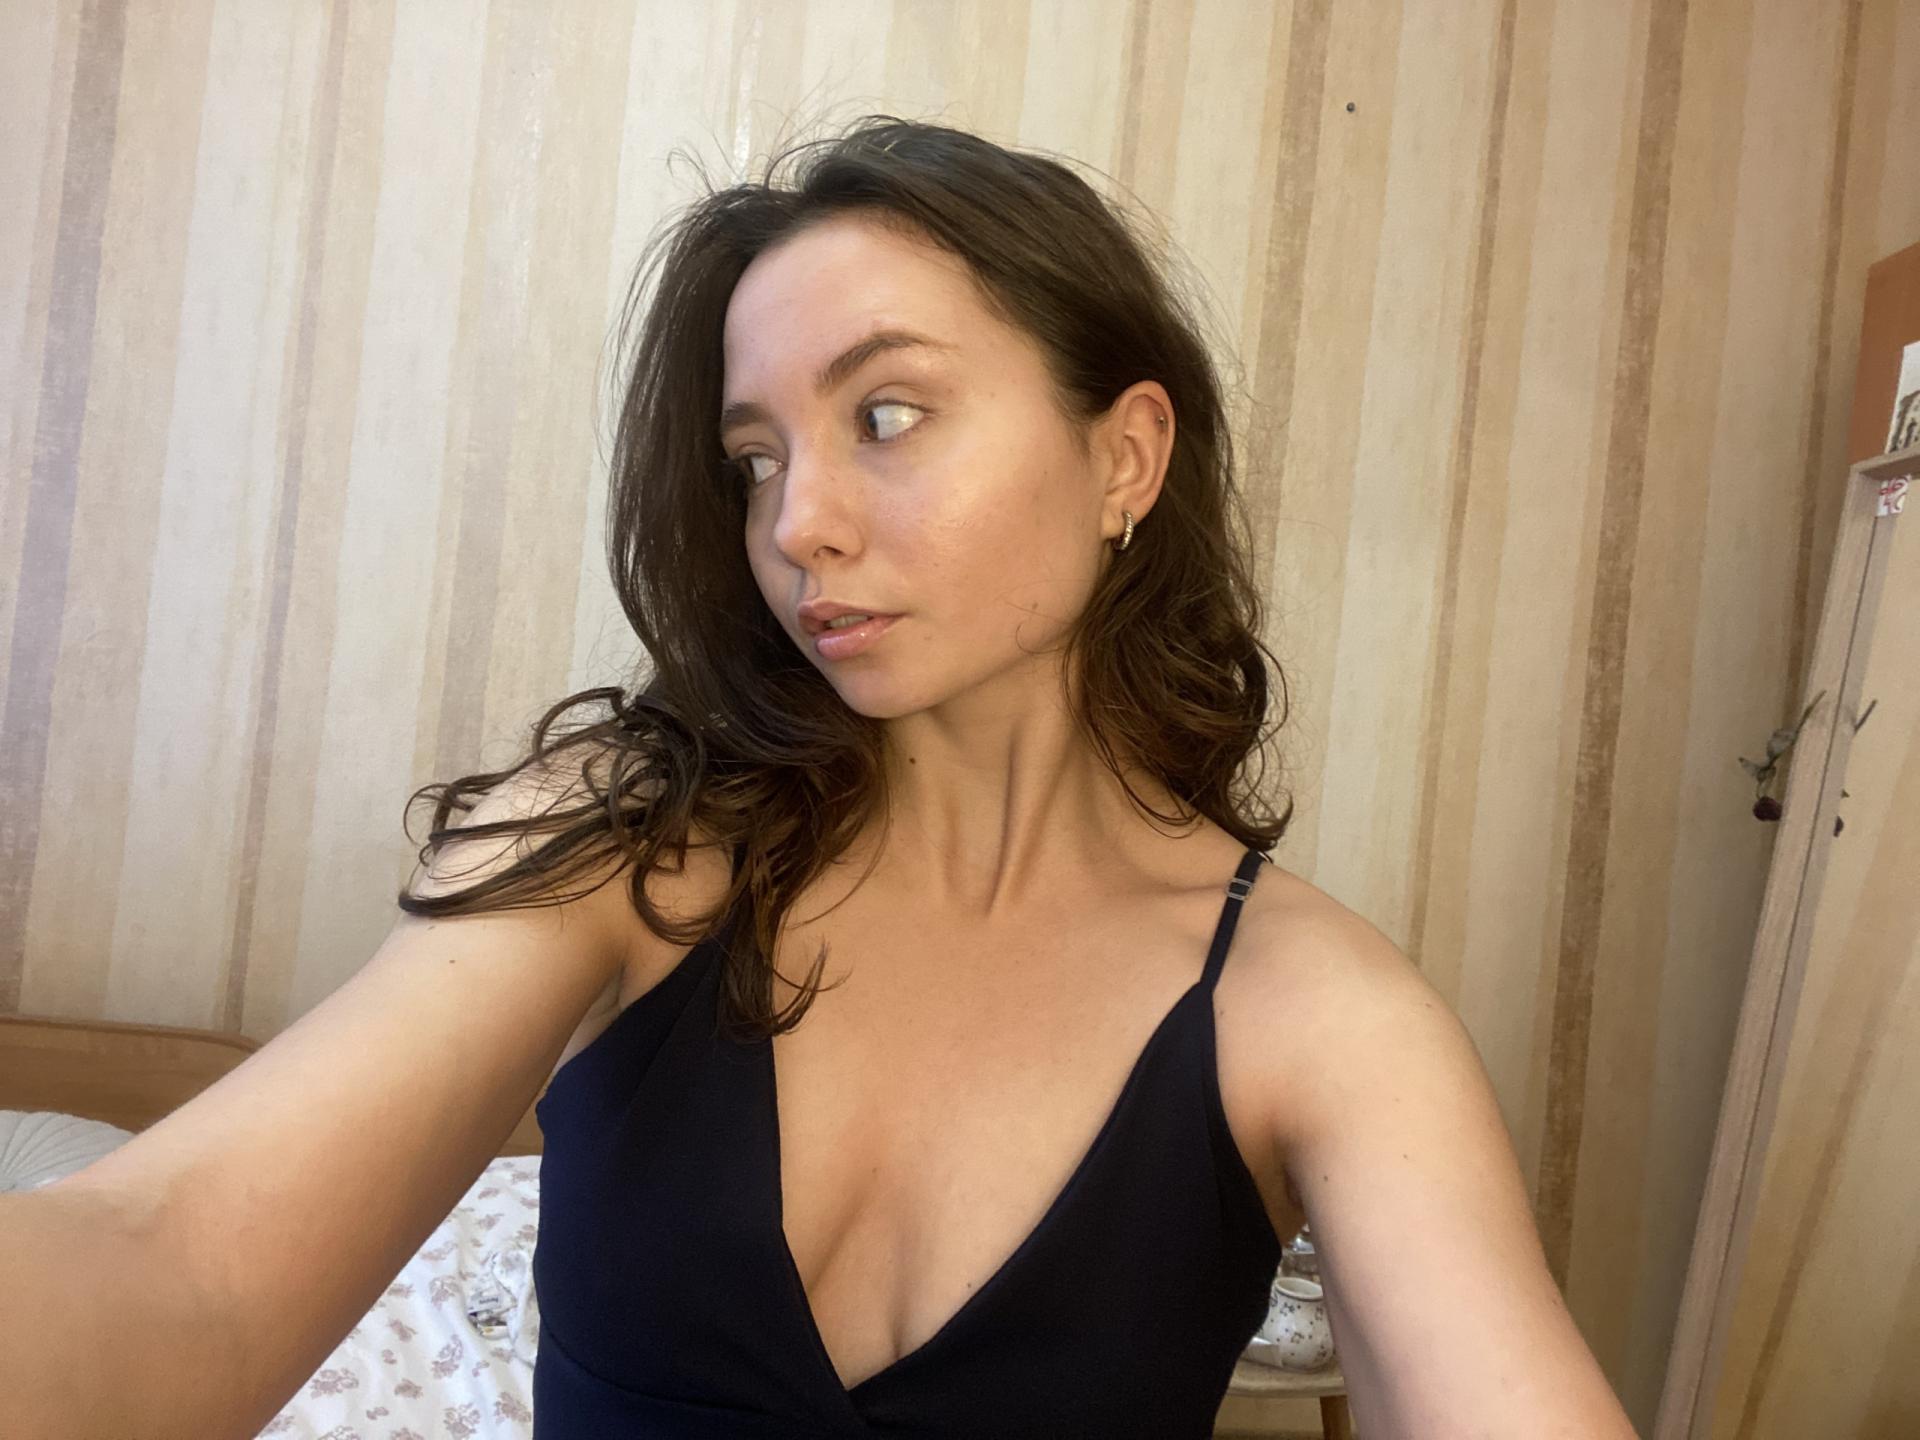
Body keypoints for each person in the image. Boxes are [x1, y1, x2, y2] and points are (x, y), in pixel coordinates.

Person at [0, 116, 1638, 1438]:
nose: (798, 525)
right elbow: (175, 1265)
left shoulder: (1317, 1016)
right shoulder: (629, 845)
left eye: (891, 413)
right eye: (754, 460)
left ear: (1125, 456)